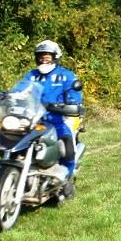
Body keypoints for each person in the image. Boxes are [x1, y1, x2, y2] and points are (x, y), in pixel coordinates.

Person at [19, 40, 83, 184]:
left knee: (66, 145)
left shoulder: (66, 75)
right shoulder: (31, 75)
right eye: (41, 56)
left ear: (55, 57)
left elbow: (74, 95)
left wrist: (71, 104)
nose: (44, 59)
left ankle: (67, 177)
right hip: (35, 117)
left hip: (59, 117)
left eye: (47, 56)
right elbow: (20, 90)